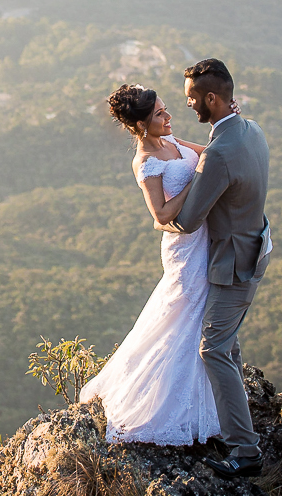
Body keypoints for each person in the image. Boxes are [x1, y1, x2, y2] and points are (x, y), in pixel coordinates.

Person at [78, 82, 226, 447]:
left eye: (165, 108)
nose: (169, 116)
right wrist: (196, 187)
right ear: (142, 124)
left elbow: (209, 153)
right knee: (186, 315)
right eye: (160, 114)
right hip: (182, 244)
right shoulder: (146, 161)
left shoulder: (172, 142)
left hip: (204, 237)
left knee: (191, 315)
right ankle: (169, 404)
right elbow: (160, 214)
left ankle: (202, 396)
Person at [154, 58, 272, 479]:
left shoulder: (219, 155)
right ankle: (229, 423)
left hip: (233, 264)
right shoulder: (250, 129)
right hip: (257, 246)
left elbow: (186, 221)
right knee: (228, 344)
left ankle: (246, 452)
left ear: (209, 98)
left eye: (190, 97)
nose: (186, 103)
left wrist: (157, 214)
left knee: (214, 349)